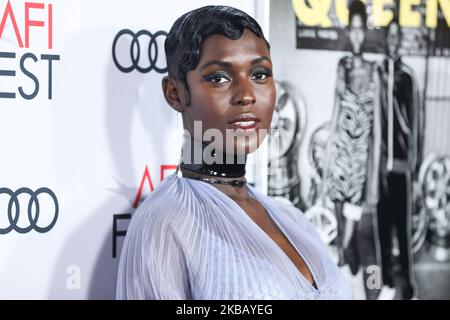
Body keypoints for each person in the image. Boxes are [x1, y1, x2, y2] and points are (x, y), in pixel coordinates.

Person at [116, 5, 350, 300]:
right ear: (175, 93)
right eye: (219, 78)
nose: (247, 94)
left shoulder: (293, 218)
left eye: (260, 73)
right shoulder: (165, 222)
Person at [323, 0, 381, 299]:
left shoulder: (374, 71)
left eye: (361, 30)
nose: (357, 36)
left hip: (360, 160)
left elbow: (378, 127)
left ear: (366, 32)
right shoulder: (342, 65)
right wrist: (328, 153)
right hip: (341, 155)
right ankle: (345, 276)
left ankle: (348, 270)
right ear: (349, 31)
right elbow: (334, 114)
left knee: (352, 226)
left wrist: (374, 170)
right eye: (353, 30)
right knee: (339, 213)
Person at [376, 18, 423, 299]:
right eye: (389, 36)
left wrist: (414, 167)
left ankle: (408, 285)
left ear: (401, 40)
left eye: (397, 35)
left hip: (402, 167)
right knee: (383, 227)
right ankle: (386, 282)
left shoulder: (408, 76)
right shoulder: (378, 73)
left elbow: (416, 124)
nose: (393, 40)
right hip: (381, 168)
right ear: (385, 40)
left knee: (402, 230)